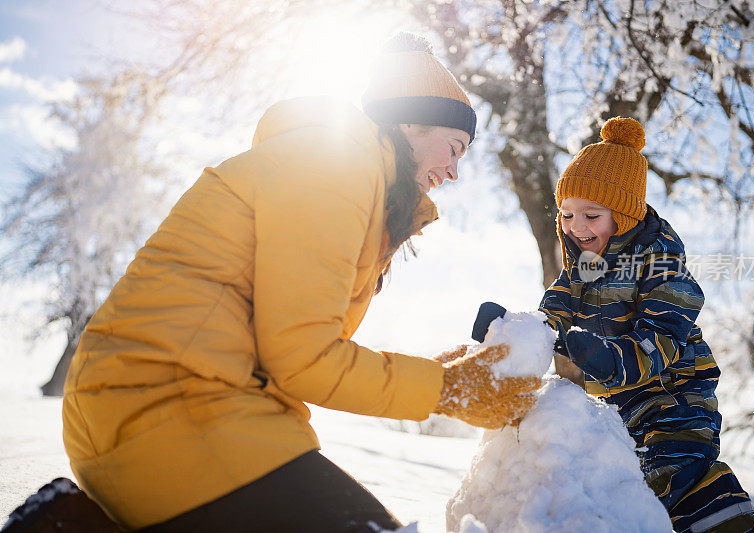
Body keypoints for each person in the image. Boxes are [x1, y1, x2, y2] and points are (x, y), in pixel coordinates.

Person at [61, 33, 538, 532]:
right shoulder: (335, 165)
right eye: (454, 147)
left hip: (171, 406)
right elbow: (303, 357)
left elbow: (296, 344)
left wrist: (438, 374)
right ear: (410, 122)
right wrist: (446, 388)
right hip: (168, 407)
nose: (455, 171)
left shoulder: (345, 173)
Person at [539, 117, 754, 533]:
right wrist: (520, 331)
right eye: (567, 214)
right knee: (618, 483)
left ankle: (728, 518)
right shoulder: (583, 268)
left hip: (673, 399)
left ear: (622, 218)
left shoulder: (662, 267)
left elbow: (662, 338)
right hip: (619, 407)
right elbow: (555, 308)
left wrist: (608, 359)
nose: (577, 226)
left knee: (667, 475)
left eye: (591, 215)